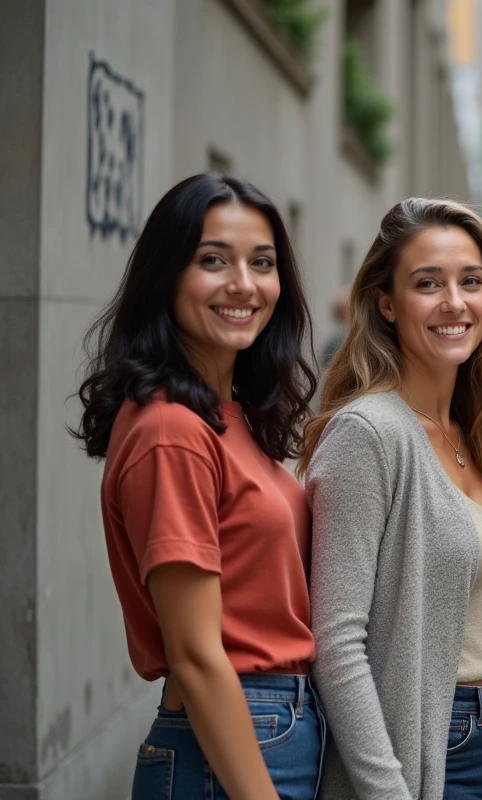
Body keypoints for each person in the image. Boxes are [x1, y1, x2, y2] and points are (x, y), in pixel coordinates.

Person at [73, 173, 323, 799]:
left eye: (262, 263)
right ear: (167, 276)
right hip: (234, 742)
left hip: (273, 728)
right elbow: (195, 654)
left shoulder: (226, 416)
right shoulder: (172, 431)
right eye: (213, 260)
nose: (243, 284)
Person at [300, 199, 482, 799]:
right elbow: (336, 642)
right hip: (434, 746)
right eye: (428, 284)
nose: (455, 302)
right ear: (387, 303)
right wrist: (387, 791)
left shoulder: (480, 429)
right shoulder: (368, 434)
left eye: (471, 281)